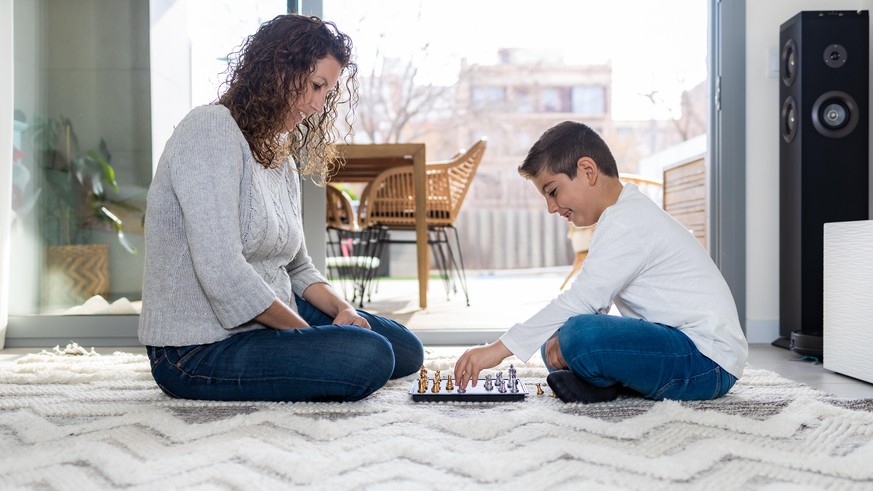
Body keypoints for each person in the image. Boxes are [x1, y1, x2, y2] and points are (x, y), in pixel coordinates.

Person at [139, 14, 423, 402]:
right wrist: (311, 340)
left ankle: (329, 338)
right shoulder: (208, 129)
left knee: (405, 349)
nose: (318, 104)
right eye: (315, 85)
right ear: (278, 70)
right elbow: (222, 271)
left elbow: (298, 267)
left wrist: (341, 311)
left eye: (326, 92)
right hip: (197, 348)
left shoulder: (279, 155)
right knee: (369, 356)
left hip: (266, 320)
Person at [453, 121, 747, 403]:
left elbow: (583, 300)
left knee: (578, 335)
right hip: (681, 348)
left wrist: (499, 349)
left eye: (552, 192)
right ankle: (601, 384)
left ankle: (602, 381)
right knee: (553, 339)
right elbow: (596, 301)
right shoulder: (619, 215)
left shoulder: (627, 221)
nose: (551, 207)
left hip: (706, 359)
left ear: (587, 170)